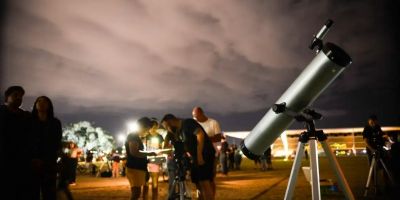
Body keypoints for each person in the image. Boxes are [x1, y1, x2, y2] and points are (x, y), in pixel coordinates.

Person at [161, 114, 216, 200]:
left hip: (204, 154)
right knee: (198, 183)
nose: (167, 129)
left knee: (204, 182)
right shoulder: (178, 131)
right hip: (195, 157)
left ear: (171, 121)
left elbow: (200, 134)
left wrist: (199, 154)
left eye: (167, 126)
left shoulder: (187, 123)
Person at [0, 86, 32, 200]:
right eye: (15, 95)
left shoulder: (26, 116)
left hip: (22, 162)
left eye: (21, 96)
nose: (19, 98)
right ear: (7, 97)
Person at [30, 96, 62, 200]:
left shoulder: (55, 123)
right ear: (35, 104)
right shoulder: (29, 121)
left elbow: (57, 142)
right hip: (31, 162)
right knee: (32, 192)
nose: (41, 103)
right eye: (39, 101)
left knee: (49, 193)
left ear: (49, 105)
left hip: (49, 163)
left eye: (45, 101)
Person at [125, 117, 157, 200]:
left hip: (137, 168)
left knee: (136, 193)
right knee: (136, 193)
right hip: (134, 168)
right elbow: (134, 152)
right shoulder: (133, 136)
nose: (147, 133)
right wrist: (149, 154)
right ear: (143, 127)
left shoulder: (136, 137)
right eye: (147, 130)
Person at [192, 107, 222, 193]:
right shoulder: (195, 124)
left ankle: (211, 197)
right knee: (199, 179)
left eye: (196, 116)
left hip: (212, 154)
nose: (195, 118)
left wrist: (203, 139)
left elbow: (218, 137)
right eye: (193, 116)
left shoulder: (213, 123)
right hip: (199, 154)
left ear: (202, 114)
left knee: (210, 178)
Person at [144, 119, 164, 200]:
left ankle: (154, 198)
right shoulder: (145, 136)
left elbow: (162, 148)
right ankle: (145, 197)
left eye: (156, 127)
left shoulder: (160, 136)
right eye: (152, 127)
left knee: (155, 183)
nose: (154, 129)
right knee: (145, 182)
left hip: (155, 160)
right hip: (145, 160)